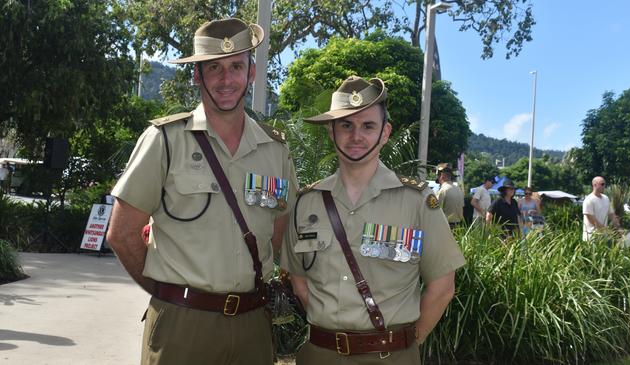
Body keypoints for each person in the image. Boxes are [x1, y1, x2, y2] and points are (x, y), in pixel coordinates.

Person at [106, 18, 296, 365]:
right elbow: (121, 234)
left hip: (253, 323)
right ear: (198, 76)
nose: (226, 79)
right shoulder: (165, 140)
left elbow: (280, 239)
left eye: (236, 66)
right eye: (214, 68)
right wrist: (169, 296)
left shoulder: (275, 152)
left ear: (251, 73)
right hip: (182, 325)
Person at [281, 76, 465, 364]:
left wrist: (401, 344)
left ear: (385, 132)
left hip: (389, 356)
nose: (356, 136)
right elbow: (299, 283)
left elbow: (442, 288)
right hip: (319, 355)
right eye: (346, 125)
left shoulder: (417, 203)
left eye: (368, 125)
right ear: (331, 131)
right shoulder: (306, 203)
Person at [583, 176, 620, 241]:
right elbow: (591, 219)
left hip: (603, 238)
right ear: (595, 185)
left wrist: (618, 227)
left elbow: (611, 214)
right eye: (602, 184)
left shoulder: (606, 198)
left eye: (605, 184)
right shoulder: (589, 200)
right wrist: (606, 231)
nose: (604, 186)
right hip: (591, 237)